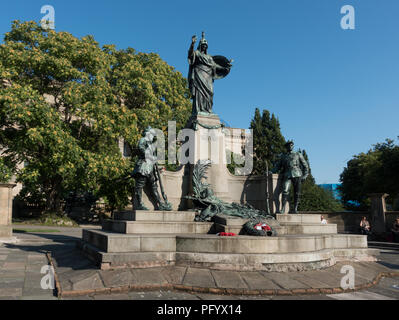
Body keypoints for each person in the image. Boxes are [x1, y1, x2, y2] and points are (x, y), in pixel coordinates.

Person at [188, 32, 231, 115]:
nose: (204, 47)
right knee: (199, 94)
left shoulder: (210, 57)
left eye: (205, 46)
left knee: (210, 93)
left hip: (208, 77)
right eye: (203, 45)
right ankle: (199, 110)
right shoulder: (197, 53)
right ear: (200, 46)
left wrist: (225, 67)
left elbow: (215, 66)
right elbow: (190, 54)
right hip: (199, 75)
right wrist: (192, 44)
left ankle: (207, 110)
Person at [131, 127, 163, 210]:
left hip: (149, 168)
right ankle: (139, 204)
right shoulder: (143, 140)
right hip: (142, 167)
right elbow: (141, 148)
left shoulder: (150, 144)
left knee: (154, 186)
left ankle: (160, 203)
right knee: (139, 186)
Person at [273, 141, 309, 214]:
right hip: (287, 175)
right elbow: (278, 166)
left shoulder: (298, 154)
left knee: (297, 193)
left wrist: (305, 175)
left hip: (297, 174)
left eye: (291, 145)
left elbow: (305, 165)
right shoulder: (283, 156)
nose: (290, 146)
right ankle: (283, 209)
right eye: (288, 145)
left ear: (293, 146)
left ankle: (295, 209)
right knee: (285, 191)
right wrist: (271, 171)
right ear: (286, 147)